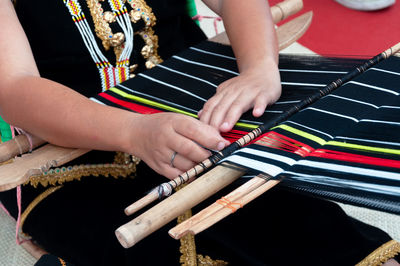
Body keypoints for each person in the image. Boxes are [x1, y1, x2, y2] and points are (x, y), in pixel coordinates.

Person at [0, 0, 398, 265]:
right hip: (71, 149)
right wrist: (134, 131)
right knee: (144, 249)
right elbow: (14, 87)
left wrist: (259, 68)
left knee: (304, 229)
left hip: (204, 112)